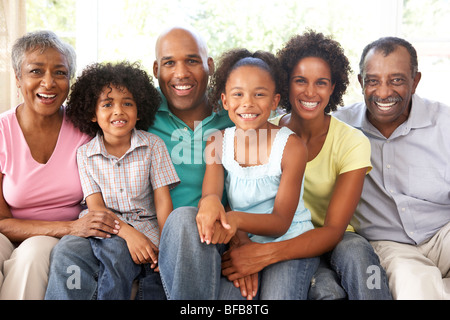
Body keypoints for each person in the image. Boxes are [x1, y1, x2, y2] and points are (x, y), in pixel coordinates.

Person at [222, 30, 392, 300]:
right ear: (285, 86)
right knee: (325, 292)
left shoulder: (352, 142)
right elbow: (233, 187)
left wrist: (262, 255)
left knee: (358, 254)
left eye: (321, 82)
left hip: (331, 239)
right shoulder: (259, 127)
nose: (310, 92)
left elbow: (333, 230)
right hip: (275, 237)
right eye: (300, 81)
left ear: (333, 87)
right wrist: (243, 243)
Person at [0, 30, 120, 300]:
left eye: (60, 73)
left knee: (33, 254)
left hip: (62, 241)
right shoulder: (2, 131)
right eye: (35, 71)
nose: (48, 82)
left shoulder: (86, 130)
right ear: (18, 78)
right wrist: (68, 227)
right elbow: (1, 221)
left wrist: (71, 230)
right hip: (15, 233)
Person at [45, 62, 179, 300]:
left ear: (139, 111)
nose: (118, 110)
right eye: (108, 104)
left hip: (147, 227)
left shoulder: (153, 146)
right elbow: (96, 209)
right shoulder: (85, 154)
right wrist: (128, 234)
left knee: (156, 273)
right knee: (74, 249)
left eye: (127, 103)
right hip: (103, 228)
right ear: (92, 114)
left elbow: (162, 202)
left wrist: (168, 247)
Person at [193, 48, 319, 299]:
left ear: (274, 101)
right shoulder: (216, 142)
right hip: (241, 239)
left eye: (259, 94)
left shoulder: (291, 147)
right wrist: (236, 235)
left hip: (289, 241)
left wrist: (235, 220)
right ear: (225, 100)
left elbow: (281, 222)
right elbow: (211, 197)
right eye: (238, 94)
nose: (248, 103)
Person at [333, 36, 450, 300]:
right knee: (414, 288)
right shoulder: (338, 128)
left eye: (396, 80)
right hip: (390, 245)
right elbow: (283, 122)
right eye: (373, 81)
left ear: (415, 81)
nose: (384, 92)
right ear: (361, 83)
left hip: (443, 232)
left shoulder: (445, 123)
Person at [148, 26, 234, 209]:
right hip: (157, 231)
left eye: (192, 61)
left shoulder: (235, 110)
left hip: (221, 229)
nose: (181, 73)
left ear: (209, 66)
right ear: (156, 69)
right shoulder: (139, 112)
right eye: (169, 63)